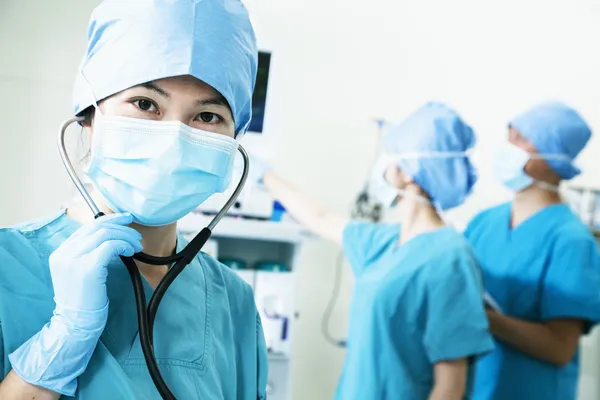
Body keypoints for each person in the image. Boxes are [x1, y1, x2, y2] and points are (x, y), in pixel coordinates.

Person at [0, 1, 267, 399]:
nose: (173, 140)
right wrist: (64, 336)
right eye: (146, 104)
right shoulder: (7, 268)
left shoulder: (236, 303)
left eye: (207, 117)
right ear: (90, 116)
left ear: (231, 145)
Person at [253, 102, 494, 399]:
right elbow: (320, 217)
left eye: (392, 156)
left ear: (410, 173)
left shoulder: (450, 258)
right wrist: (261, 173)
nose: (384, 165)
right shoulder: (383, 243)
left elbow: (450, 388)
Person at [464, 101, 600, 399]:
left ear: (553, 157)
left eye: (521, 139)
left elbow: (559, 348)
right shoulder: (483, 223)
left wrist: (484, 317)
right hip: (475, 387)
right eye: (508, 136)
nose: (508, 147)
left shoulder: (571, 241)